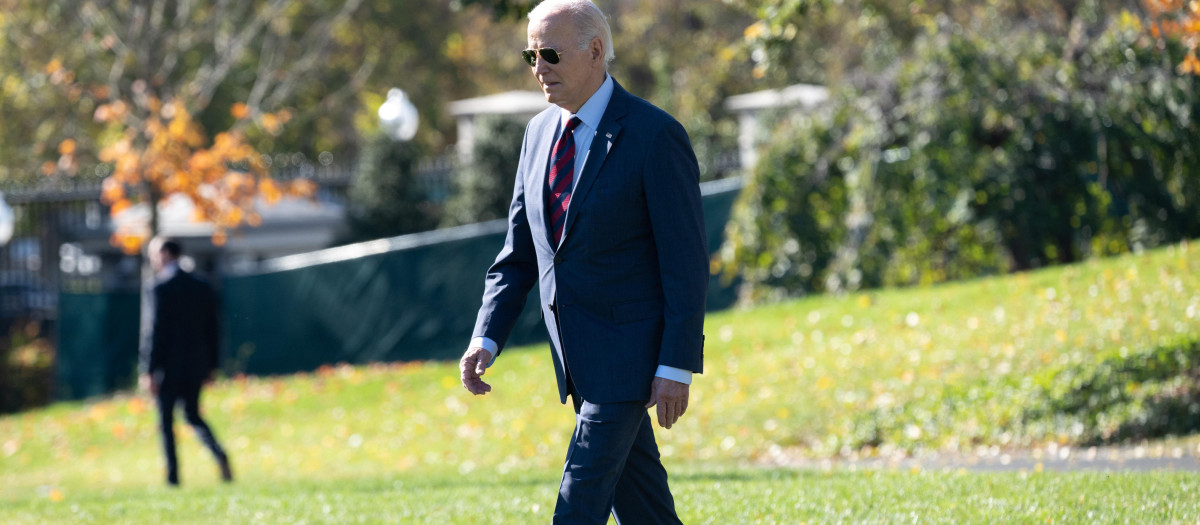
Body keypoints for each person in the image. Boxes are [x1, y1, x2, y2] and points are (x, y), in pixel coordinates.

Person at [458, 1, 707, 522]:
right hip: (578, 360)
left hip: (632, 357)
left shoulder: (654, 135)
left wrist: (675, 365)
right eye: (531, 54)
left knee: (578, 503)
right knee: (645, 510)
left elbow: (685, 263)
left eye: (549, 53)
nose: (538, 67)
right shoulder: (536, 135)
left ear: (596, 51)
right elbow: (518, 256)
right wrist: (486, 336)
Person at [139, 237, 232, 487]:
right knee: (192, 414)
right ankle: (218, 453)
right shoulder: (202, 285)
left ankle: (173, 477)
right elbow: (213, 329)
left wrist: (147, 369)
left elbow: (154, 331)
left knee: (166, 422)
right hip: (196, 364)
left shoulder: (158, 287)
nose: (152, 259)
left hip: (167, 366)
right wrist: (211, 365)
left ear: (166, 254)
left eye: (154, 254)